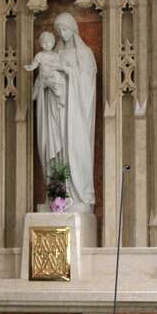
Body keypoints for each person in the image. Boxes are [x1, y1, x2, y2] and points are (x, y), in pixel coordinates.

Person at [31, 12, 97, 212]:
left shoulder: (84, 53)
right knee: (56, 148)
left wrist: (70, 74)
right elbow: (43, 77)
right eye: (59, 30)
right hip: (55, 110)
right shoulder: (54, 54)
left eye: (65, 28)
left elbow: (87, 85)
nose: (62, 33)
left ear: (73, 29)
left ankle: (77, 194)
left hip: (74, 112)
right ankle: (58, 195)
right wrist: (45, 83)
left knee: (75, 148)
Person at [24, 31, 65, 106]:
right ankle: (59, 95)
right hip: (44, 75)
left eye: (49, 42)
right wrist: (30, 67)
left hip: (52, 74)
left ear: (53, 43)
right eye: (44, 42)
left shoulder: (55, 55)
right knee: (49, 81)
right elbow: (35, 64)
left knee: (59, 79)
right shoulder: (39, 55)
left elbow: (59, 65)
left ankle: (60, 97)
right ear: (40, 44)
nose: (46, 44)